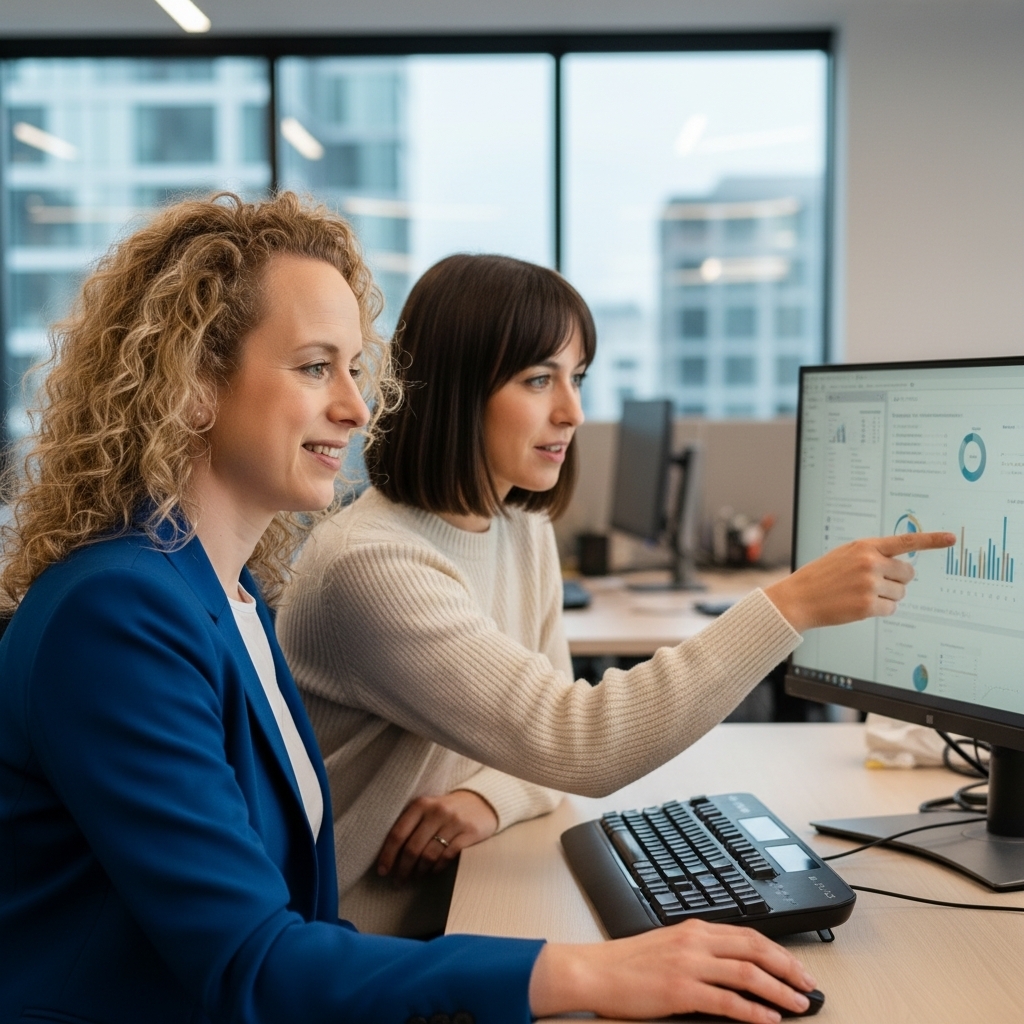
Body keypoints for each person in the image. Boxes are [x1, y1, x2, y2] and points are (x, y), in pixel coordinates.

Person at [0, 193, 838, 1024]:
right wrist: (585, 975)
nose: (358, 408)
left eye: (354, 368)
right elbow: (254, 962)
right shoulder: (117, 616)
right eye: (313, 366)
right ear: (193, 387)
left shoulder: (227, 592)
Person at [277, 253, 955, 941]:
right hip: (360, 950)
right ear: (455, 390)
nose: (572, 411)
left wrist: (491, 796)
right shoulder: (372, 567)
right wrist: (790, 605)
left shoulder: (519, 527)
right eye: (539, 379)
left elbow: (541, 756)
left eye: (577, 379)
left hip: (458, 911)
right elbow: (580, 743)